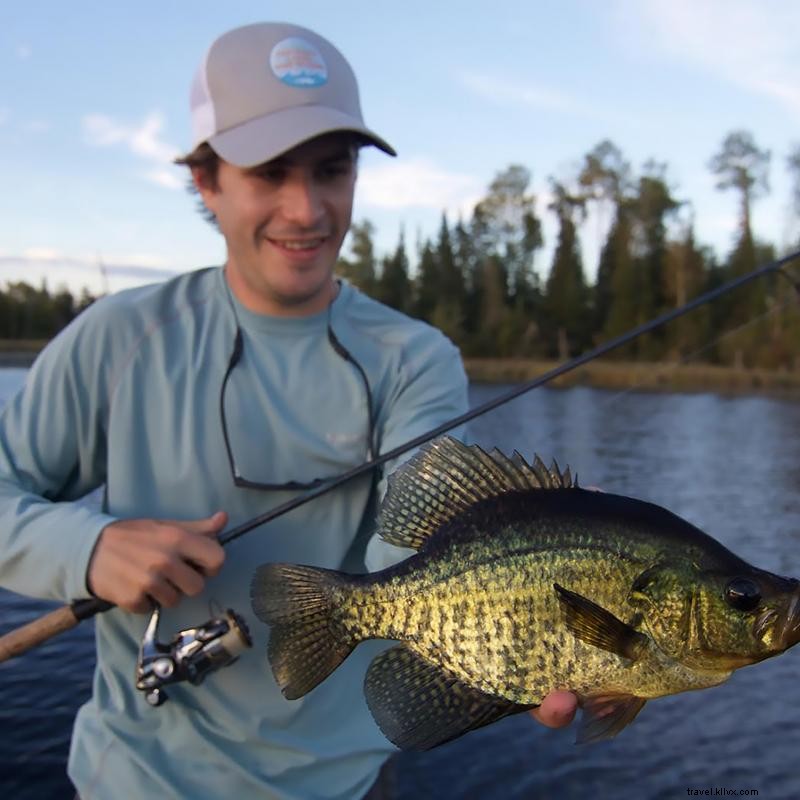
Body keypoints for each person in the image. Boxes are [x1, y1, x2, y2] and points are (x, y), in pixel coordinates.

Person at [0, 22, 576, 799]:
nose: (306, 209)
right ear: (206, 181)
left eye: (331, 170)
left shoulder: (415, 359)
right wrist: (89, 544)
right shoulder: (121, 339)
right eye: (269, 173)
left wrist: (541, 591)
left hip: (340, 784)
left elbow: (413, 556)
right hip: (133, 780)